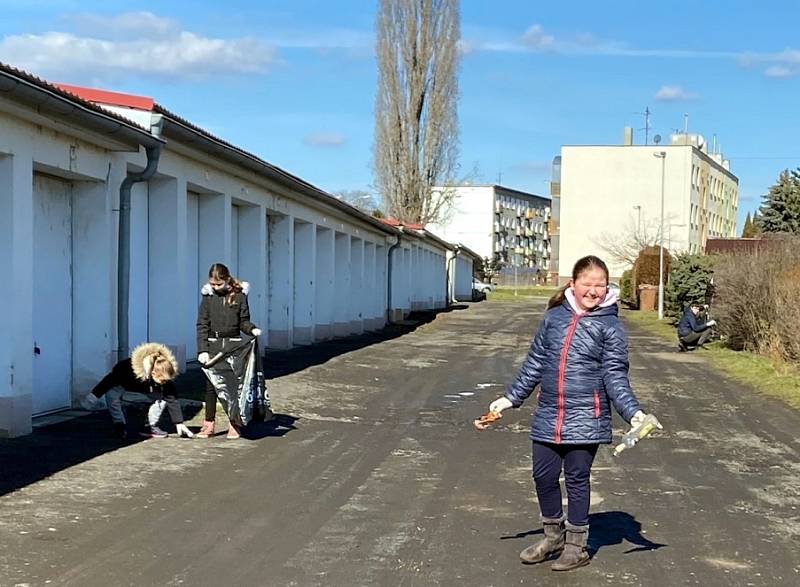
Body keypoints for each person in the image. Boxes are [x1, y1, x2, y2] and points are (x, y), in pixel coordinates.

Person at [484, 255, 658, 572]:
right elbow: (535, 363)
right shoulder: (553, 319)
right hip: (549, 413)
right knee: (543, 476)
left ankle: (576, 546)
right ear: (573, 284)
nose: (593, 291)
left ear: (607, 288)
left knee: (577, 479)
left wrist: (632, 412)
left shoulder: (611, 327)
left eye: (600, 286)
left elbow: (615, 375)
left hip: (587, 416)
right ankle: (553, 537)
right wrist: (510, 398)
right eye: (587, 284)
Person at [196, 263, 261, 439]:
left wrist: (252, 329)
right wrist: (202, 349)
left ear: (226, 280)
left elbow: (244, 321)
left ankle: (234, 424)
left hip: (233, 345)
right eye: (212, 284)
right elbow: (202, 325)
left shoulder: (239, 296)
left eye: (218, 284)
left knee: (232, 387)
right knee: (211, 386)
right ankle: (209, 424)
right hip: (212, 345)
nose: (215, 287)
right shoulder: (208, 298)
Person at [80, 342, 193, 439]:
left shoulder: (164, 371)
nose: (164, 383)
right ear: (153, 373)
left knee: (162, 398)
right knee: (111, 395)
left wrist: (179, 423)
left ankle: (150, 426)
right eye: (162, 381)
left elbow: (171, 397)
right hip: (123, 383)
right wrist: (93, 397)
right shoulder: (126, 369)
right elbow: (108, 381)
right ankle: (119, 425)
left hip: (147, 386)